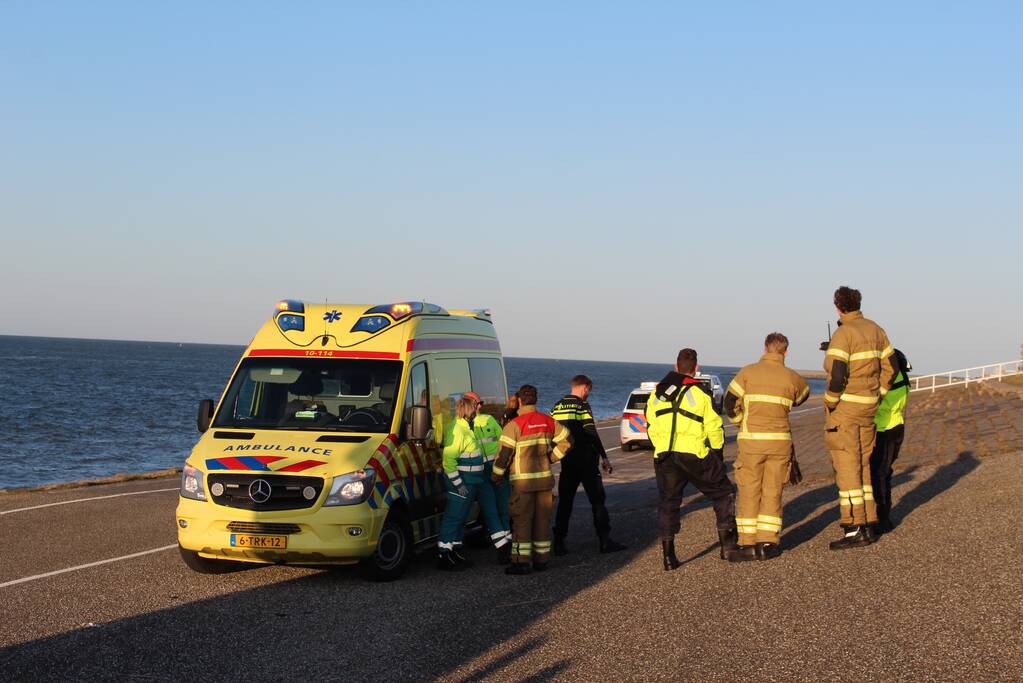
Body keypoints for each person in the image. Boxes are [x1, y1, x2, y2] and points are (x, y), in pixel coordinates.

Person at [645, 348, 737, 571]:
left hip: (666, 455)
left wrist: (660, 448)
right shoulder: (700, 394)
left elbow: (651, 426)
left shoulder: (656, 394)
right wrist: (717, 456)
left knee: (668, 503)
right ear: (695, 368)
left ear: (676, 367)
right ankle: (728, 548)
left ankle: (669, 557)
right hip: (694, 454)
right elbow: (714, 427)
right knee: (723, 492)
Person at [823, 286, 898, 550]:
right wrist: (878, 393)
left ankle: (854, 527)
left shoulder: (843, 334)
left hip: (846, 409)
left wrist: (831, 402)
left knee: (847, 467)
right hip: (868, 408)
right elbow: (893, 366)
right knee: (864, 465)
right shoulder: (876, 329)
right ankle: (869, 522)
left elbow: (838, 374)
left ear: (838, 307)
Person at [723, 333, 810, 561]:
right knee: (773, 491)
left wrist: (740, 421)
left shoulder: (747, 372)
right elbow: (802, 396)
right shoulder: (792, 377)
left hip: (752, 440)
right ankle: (767, 543)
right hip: (779, 442)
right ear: (786, 352)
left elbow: (729, 402)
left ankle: (747, 544)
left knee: (750, 490)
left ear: (765, 348)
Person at [492, 385, 572, 575]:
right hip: (544, 482)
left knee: (522, 522)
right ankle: (542, 560)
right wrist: (551, 458)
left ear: (519, 400)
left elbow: (504, 455)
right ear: (536, 399)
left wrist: (496, 476)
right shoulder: (548, 421)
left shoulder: (514, 425)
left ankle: (521, 562)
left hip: (522, 484)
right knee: (542, 522)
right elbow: (567, 441)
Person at [551, 375, 626, 555]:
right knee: (598, 501)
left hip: (567, 461)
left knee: (565, 503)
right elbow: (591, 432)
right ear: (584, 387)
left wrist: (556, 454)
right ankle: (604, 541)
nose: (588, 395)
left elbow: (552, 433)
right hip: (586, 461)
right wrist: (604, 456)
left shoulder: (557, 406)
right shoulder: (582, 406)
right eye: (589, 391)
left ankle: (559, 542)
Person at [437, 397, 511, 570]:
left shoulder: (467, 428)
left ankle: (454, 551)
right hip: (464, 482)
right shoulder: (457, 430)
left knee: (461, 517)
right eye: (472, 408)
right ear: (466, 410)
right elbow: (449, 461)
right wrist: (458, 483)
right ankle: (444, 554)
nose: (475, 411)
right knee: (453, 517)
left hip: (474, 480)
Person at [464, 391, 512, 561]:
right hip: (497, 469)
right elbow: (504, 441)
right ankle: (508, 543)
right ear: (477, 405)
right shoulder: (490, 420)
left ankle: (502, 546)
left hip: (479, 472)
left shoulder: (462, 426)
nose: (481, 406)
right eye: (480, 403)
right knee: (503, 508)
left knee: (490, 510)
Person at [869, 349, 911, 535]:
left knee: (880, 474)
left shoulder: (889, 382)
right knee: (884, 473)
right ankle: (881, 514)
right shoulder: (903, 380)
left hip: (883, 430)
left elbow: (874, 401)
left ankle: (883, 518)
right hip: (896, 427)